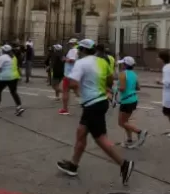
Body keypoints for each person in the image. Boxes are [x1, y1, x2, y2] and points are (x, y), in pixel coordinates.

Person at [56, 39, 134, 185]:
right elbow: (110, 79)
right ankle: (73, 165)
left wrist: (80, 93)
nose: (78, 52)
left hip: (92, 104)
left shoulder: (81, 63)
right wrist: (106, 89)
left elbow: (72, 83)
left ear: (83, 50)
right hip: (100, 102)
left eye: (79, 50)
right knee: (81, 132)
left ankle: (124, 164)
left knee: (100, 139)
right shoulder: (102, 62)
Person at [116, 56, 148, 148]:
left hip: (126, 101)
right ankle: (129, 139)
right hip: (133, 100)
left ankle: (140, 132)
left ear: (125, 65)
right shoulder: (134, 74)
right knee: (125, 121)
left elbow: (122, 88)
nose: (122, 65)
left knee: (121, 122)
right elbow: (138, 87)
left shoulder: (122, 74)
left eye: (123, 63)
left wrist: (115, 88)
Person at [0, 44, 25, 116]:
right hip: (14, 77)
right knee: (14, 92)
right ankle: (19, 107)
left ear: (4, 51)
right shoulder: (13, 57)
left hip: (4, 77)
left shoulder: (2, 57)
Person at [60, 39, 79, 115]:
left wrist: (65, 59)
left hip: (69, 75)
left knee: (65, 91)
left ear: (72, 44)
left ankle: (65, 109)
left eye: (70, 44)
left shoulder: (73, 51)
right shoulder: (78, 51)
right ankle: (90, 104)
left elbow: (72, 60)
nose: (69, 45)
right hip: (74, 74)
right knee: (77, 91)